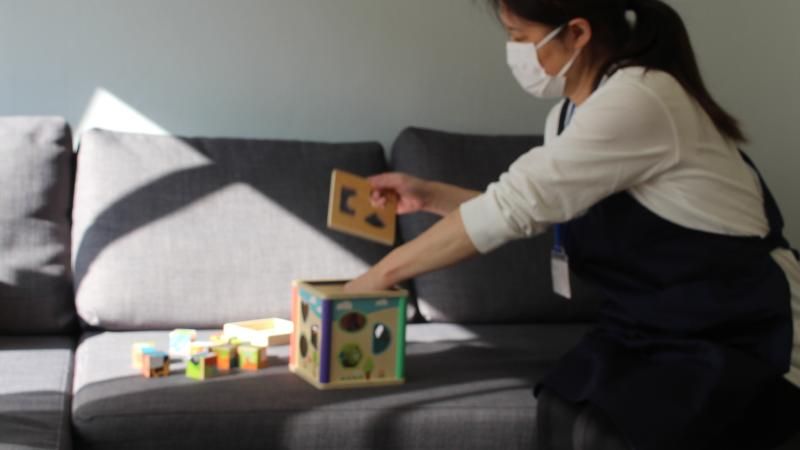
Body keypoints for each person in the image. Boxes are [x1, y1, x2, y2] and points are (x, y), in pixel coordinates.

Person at [344, 0, 800, 448]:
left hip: (741, 326)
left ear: (578, 32)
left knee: (614, 435)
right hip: (656, 323)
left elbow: (514, 207)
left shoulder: (640, 97)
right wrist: (428, 195)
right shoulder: (566, 116)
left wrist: (376, 277)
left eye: (519, 36)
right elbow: (531, 206)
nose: (513, 51)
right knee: (561, 406)